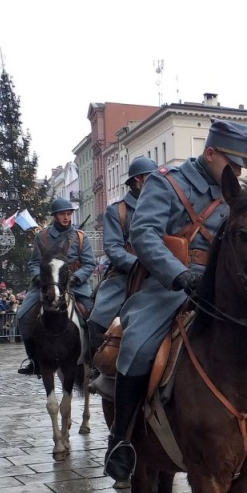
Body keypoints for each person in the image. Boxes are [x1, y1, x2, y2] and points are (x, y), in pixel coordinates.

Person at [104, 118, 247, 482]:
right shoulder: (167, 183)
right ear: (210, 153)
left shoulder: (233, 193)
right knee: (138, 346)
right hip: (170, 285)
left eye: (241, 166)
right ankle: (121, 440)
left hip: (223, 289)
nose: (237, 171)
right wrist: (176, 273)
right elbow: (144, 234)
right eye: (232, 163)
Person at [87, 156, 157, 368]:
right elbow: (113, 248)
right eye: (152, 179)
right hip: (126, 275)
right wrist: (137, 264)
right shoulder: (117, 210)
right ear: (138, 180)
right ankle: (98, 366)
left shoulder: (163, 206)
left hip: (161, 273)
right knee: (97, 319)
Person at [16, 199, 97, 375]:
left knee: (94, 316)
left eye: (69, 214)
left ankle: (93, 358)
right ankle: (34, 361)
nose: (66, 217)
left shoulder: (81, 237)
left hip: (76, 286)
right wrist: (38, 277)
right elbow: (35, 262)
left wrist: (77, 278)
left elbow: (90, 263)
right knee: (23, 316)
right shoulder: (43, 236)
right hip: (46, 286)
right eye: (62, 214)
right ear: (54, 216)